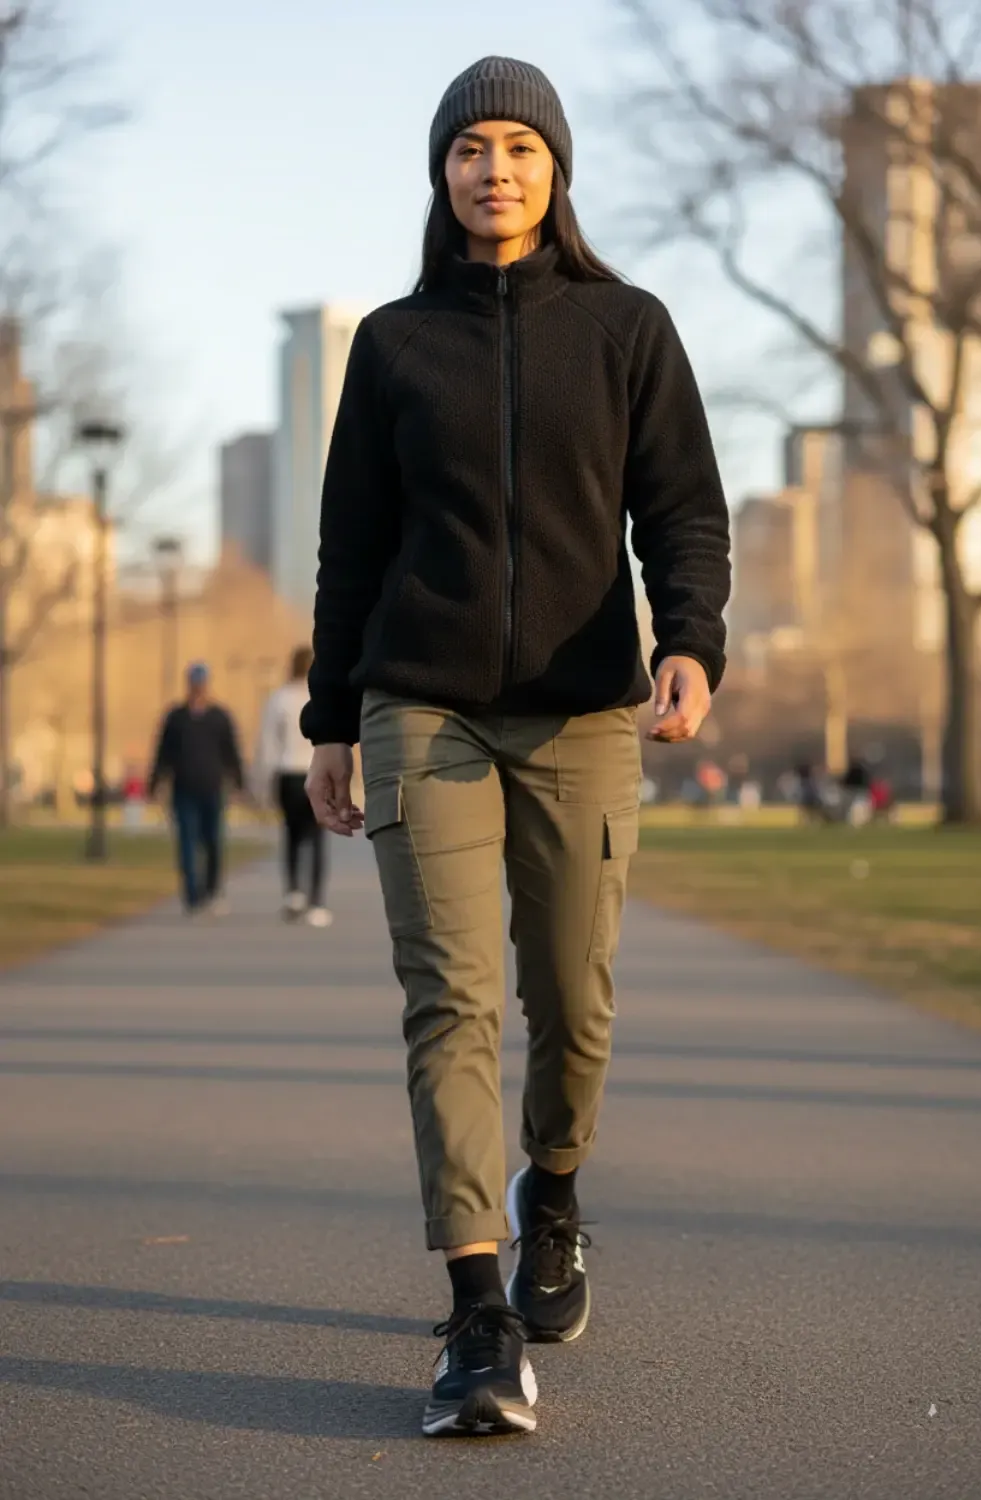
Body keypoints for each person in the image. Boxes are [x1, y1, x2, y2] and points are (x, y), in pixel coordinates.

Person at [302, 56, 731, 1438]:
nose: (496, 169)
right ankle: (477, 1311)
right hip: (418, 706)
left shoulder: (626, 328)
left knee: (572, 995)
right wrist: (327, 721)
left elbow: (684, 508)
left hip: (584, 709)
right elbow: (350, 549)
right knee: (452, 1000)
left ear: (556, 169)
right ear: (441, 173)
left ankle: (554, 1190)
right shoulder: (393, 343)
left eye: (520, 147)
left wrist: (692, 638)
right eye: (470, 148)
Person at [148, 662, 245, 915]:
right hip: (184, 790)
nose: (198, 689)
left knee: (213, 842)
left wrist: (238, 783)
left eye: (201, 684)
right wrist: (155, 783)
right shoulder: (176, 717)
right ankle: (193, 897)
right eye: (194, 683)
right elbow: (163, 753)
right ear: (188, 685)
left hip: (212, 789)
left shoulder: (220, 717)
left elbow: (231, 752)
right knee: (187, 843)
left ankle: (212, 892)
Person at [254, 645, 331, 927]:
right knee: (318, 837)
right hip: (318, 770)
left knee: (293, 833)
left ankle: (294, 892)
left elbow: (268, 743)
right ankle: (317, 903)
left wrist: (263, 781)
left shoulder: (279, 699)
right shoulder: (323, 696)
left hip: (288, 773)